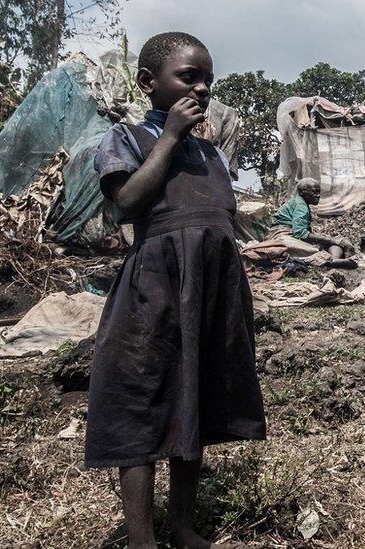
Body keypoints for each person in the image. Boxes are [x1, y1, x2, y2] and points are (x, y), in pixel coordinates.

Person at [85, 32, 266, 549]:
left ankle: (183, 528)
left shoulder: (209, 152)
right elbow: (129, 202)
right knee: (140, 401)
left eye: (208, 79)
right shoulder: (126, 139)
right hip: (154, 288)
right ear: (149, 83)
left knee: (196, 397)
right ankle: (143, 539)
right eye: (189, 77)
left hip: (211, 289)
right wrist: (168, 137)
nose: (203, 87)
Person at [267, 177, 356, 268]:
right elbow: (300, 233)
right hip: (282, 236)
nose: (318, 195)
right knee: (316, 248)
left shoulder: (300, 203)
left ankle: (334, 259)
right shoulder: (300, 205)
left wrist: (332, 240)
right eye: (314, 192)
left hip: (288, 235)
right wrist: (331, 239)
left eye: (319, 192)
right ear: (303, 192)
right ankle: (329, 260)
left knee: (334, 243)